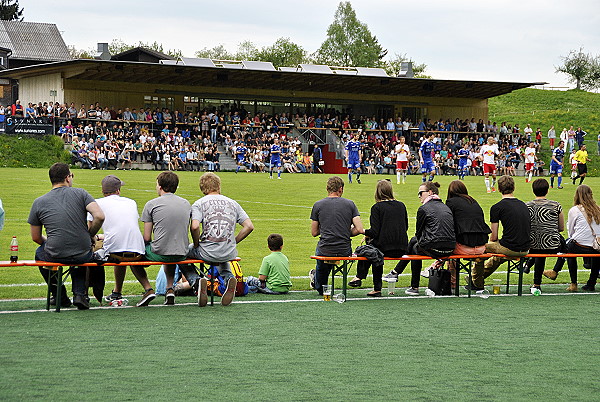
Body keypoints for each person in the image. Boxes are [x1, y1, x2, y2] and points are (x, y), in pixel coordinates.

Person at [28, 163, 105, 309]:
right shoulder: (81, 193)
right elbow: (99, 216)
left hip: (55, 252)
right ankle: (79, 294)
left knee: (40, 254)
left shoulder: (39, 202)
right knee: (80, 255)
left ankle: (60, 295)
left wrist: (50, 242)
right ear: (67, 178)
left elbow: (36, 238)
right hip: (82, 251)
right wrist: (90, 235)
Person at [188, 172, 254, 306]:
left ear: (202, 188)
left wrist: (196, 244)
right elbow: (249, 226)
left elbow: (194, 226)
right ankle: (229, 278)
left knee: (181, 253)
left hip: (207, 250)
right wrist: (233, 241)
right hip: (228, 251)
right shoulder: (233, 203)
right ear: (219, 186)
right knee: (221, 255)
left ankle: (196, 282)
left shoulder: (199, 204)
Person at [93, 175, 156, 307]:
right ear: (118, 191)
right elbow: (123, 228)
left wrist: (97, 238)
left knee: (109, 250)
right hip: (137, 251)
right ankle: (146, 288)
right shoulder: (130, 202)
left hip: (115, 252)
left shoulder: (97, 203)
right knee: (126, 251)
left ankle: (83, 292)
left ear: (103, 191)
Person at [383, 182, 455, 295]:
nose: (419, 196)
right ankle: (397, 273)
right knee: (414, 243)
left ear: (430, 192)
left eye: (421, 193)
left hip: (435, 248)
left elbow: (419, 233)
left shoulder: (424, 208)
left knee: (414, 246)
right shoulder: (446, 207)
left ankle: (411, 284)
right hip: (450, 248)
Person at [468, 176, 530, 291]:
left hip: (510, 247)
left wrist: (492, 244)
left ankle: (476, 283)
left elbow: (494, 236)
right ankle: (476, 278)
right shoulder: (523, 205)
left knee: (481, 249)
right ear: (513, 188)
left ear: (499, 188)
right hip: (525, 248)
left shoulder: (497, 207)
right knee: (497, 257)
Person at [348, 180, 408, 296]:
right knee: (373, 250)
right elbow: (405, 226)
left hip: (385, 248)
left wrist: (363, 231)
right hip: (402, 247)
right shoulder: (401, 205)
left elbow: (374, 232)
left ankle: (367, 281)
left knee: (370, 251)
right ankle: (361, 279)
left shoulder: (377, 207)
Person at [141, 171, 191, 305]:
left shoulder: (151, 204)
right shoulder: (186, 203)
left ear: (160, 186)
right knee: (170, 249)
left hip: (161, 252)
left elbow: (146, 237)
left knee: (131, 255)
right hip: (182, 252)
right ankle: (170, 288)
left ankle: (147, 289)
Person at [310, 176, 364, 295]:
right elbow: (359, 229)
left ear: (327, 189)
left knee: (323, 257)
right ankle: (319, 281)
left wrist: (326, 227)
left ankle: (319, 284)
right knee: (330, 253)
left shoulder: (318, 205)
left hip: (326, 249)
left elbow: (314, 232)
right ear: (340, 189)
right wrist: (345, 230)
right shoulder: (350, 204)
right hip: (344, 250)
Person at [445, 180, 491, 287]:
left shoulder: (451, 203)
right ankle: (478, 283)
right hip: (481, 247)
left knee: (449, 248)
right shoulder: (474, 202)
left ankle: (452, 283)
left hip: (463, 248)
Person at [524, 179, 565, 294]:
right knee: (565, 246)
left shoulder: (527, 206)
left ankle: (536, 282)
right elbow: (561, 228)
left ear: (533, 191)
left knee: (539, 249)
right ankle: (557, 272)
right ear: (547, 191)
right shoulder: (556, 205)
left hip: (531, 245)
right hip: (552, 245)